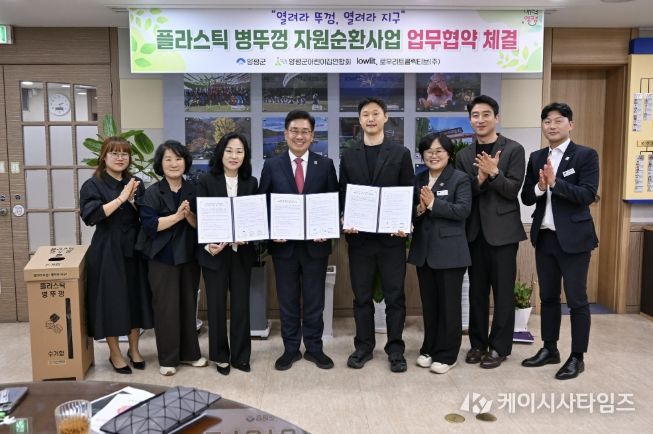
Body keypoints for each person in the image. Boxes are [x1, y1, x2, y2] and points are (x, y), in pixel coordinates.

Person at [521, 102, 599, 380]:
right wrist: (540, 187)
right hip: (545, 238)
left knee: (577, 300)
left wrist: (555, 183)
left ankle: (577, 357)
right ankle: (549, 348)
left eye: (558, 120)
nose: (551, 126)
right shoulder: (536, 157)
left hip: (575, 240)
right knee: (548, 297)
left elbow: (587, 194)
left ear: (570, 125)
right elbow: (526, 198)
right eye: (547, 121)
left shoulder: (585, 155)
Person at [258, 110, 339, 371]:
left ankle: (314, 348)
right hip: (284, 247)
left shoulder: (325, 165)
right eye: (294, 131)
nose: (299, 136)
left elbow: (333, 201)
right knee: (287, 300)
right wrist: (272, 229)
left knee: (315, 301)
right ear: (285, 134)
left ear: (313, 136)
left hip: (316, 246)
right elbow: (263, 203)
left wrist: (328, 227)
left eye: (305, 131)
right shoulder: (272, 165)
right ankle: (290, 349)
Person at [339, 97, 414, 373]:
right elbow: (344, 193)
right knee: (361, 297)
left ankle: (395, 349)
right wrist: (345, 217)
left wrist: (405, 221)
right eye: (365, 114)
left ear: (385, 117)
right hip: (360, 239)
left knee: (395, 297)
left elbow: (408, 192)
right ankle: (363, 347)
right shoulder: (349, 155)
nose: (370, 118)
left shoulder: (400, 153)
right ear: (359, 120)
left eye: (375, 113)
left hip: (391, 239)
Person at [454, 95, 526, 369]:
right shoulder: (463, 155)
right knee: (477, 293)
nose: (480, 120)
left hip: (504, 234)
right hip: (474, 233)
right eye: (475, 115)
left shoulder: (514, 149)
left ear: (497, 118)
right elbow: (464, 193)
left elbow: (512, 190)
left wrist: (494, 174)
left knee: (503, 293)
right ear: (470, 120)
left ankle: (499, 347)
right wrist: (480, 179)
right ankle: (477, 344)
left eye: (486, 114)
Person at [79, 136, 153, 374]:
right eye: (114, 153)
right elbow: (91, 216)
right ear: (104, 156)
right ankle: (115, 354)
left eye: (124, 154)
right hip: (107, 248)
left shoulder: (136, 182)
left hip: (134, 248)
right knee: (110, 300)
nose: (120, 158)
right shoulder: (93, 185)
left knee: (135, 298)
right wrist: (122, 198)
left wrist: (133, 201)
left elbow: (146, 215)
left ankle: (134, 349)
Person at [137, 140, 207, 376]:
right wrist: (177, 217)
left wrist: (188, 217)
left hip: (189, 256)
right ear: (161, 163)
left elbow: (202, 225)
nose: (174, 163)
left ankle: (190, 354)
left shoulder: (194, 189)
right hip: (161, 257)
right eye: (168, 159)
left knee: (188, 305)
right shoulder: (152, 192)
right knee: (166, 308)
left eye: (178, 158)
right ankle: (168, 359)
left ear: (185, 162)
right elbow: (151, 226)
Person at [408, 132, 472, 374]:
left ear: (449, 154)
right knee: (430, 305)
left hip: (450, 253)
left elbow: (463, 210)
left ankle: (448, 354)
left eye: (439, 151)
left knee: (449, 306)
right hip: (424, 252)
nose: (433, 156)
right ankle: (429, 348)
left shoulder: (460, 179)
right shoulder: (418, 178)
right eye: (428, 152)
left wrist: (434, 204)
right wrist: (420, 208)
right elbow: (411, 213)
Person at [196, 132, 258, 375]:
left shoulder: (251, 182)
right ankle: (220, 356)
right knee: (216, 306)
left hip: (241, 253)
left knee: (241, 305)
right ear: (221, 153)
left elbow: (255, 217)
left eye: (239, 151)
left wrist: (249, 234)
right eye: (229, 150)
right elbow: (201, 217)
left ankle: (241, 356)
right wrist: (209, 244)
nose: (234, 156)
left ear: (245, 156)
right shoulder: (206, 181)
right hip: (215, 253)